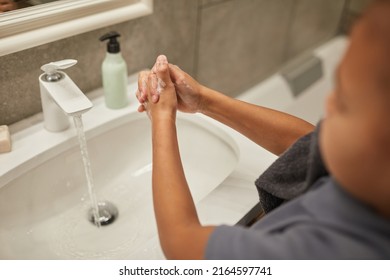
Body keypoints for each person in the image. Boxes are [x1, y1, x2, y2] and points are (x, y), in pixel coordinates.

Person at [135, 0, 390, 259]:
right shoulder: (369, 187)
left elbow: (182, 243)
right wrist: (202, 100)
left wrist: (163, 117)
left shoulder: (324, 253)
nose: (329, 102)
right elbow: (309, 145)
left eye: (344, 103)